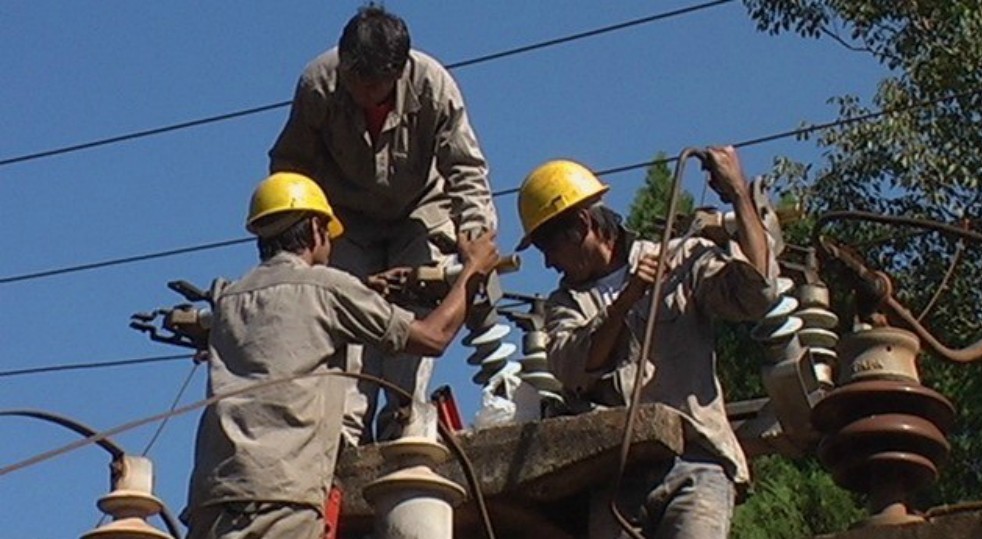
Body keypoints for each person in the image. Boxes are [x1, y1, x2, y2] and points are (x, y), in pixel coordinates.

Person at [184, 172, 498, 539]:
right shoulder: (328, 287)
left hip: (212, 498)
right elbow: (433, 337)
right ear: (316, 229)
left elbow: (289, 315)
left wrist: (363, 292)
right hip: (282, 497)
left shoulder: (228, 299)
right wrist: (472, 272)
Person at [515, 148, 776, 538]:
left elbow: (756, 294)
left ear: (583, 223)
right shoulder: (566, 304)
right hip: (618, 478)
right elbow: (573, 369)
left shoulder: (681, 259)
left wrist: (738, 193)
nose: (550, 264)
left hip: (695, 462)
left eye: (549, 248)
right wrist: (630, 297)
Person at [269, 5, 497, 445]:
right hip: (345, 222)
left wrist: (474, 239)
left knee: (410, 328)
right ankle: (344, 443)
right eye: (356, 79)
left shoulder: (433, 85)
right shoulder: (319, 84)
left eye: (375, 84)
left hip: (420, 214)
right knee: (349, 335)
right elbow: (290, 165)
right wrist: (296, 245)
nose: (364, 91)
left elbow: (466, 169)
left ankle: (402, 434)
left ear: (398, 71)